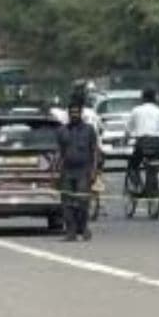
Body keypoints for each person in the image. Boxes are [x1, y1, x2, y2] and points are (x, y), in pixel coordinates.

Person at [56, 94, 100, 242]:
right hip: (67, 172)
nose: (74, 115)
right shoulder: (62, 131)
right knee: (67, 204)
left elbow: (94, 152)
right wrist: (56, 173)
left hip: (84, 172)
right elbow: (60, 154)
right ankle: (71, 232)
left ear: (81, 113)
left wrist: (94, 171)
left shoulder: (89, 130)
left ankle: (83, 228)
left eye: (77, 112)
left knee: (82, 203)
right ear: (68, 114)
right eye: (72, 112)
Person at [126, 87, 159, 188]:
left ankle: (137, 182)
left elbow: (128, 129)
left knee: (133, 164)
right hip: (157, 144)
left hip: (142, 143)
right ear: (155, 98)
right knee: (158, 162)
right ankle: (158, 177)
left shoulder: (136, 111)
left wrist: (126, 139)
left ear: (143, 98)